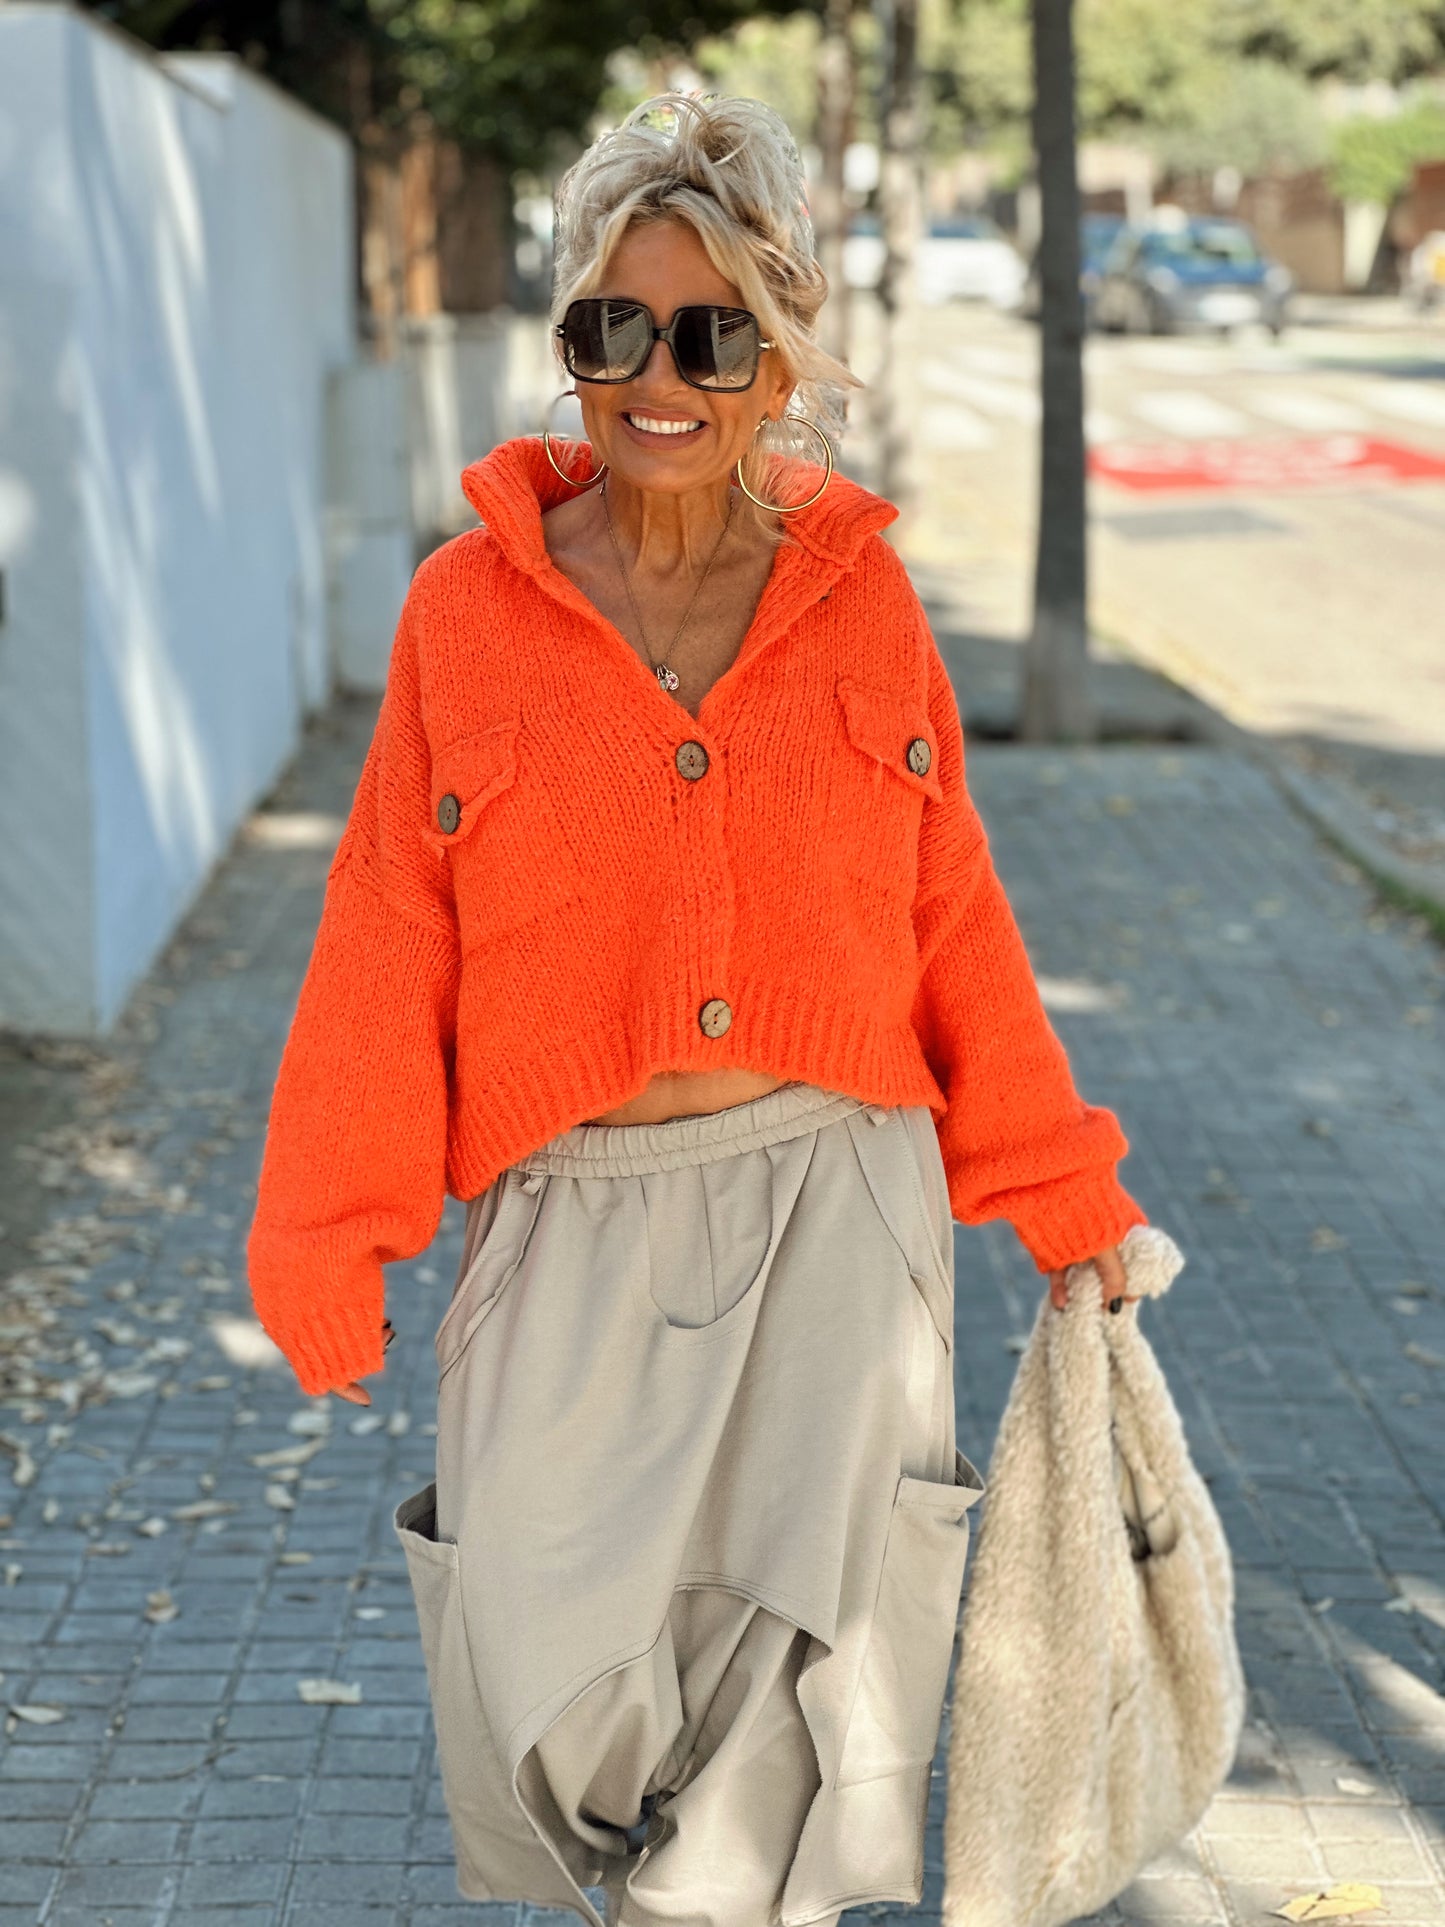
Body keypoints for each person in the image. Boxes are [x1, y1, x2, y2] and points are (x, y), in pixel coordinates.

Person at [246, 91, 1148, 1927]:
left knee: (775, 1763)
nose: (658, 374)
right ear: (569, 346)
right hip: (562, 1227)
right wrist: (329, 1224)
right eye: (612, 329)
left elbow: (951, 902)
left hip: (837, 1213)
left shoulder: (860, 600)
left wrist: (1060, 1187)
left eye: (711, 333)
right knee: (542, 1688)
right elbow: (380, 928)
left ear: (776, 359)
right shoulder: (460, 613)